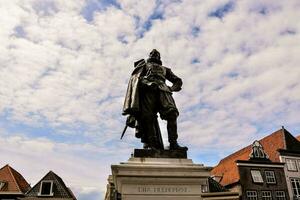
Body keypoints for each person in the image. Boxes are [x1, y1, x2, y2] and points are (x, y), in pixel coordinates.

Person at [123, 49, 186, 150]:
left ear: (159, 57)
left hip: (163, 91)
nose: (154, 55)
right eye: (152, 53)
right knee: (148, 117)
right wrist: (148, 83)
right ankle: (152, 144)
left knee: (172, 114)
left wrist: (171, 88)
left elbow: (178, 81)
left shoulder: (166, 69)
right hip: (148, 92)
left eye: (156, 54)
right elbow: (136, 78)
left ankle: (173, 143)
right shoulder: (143, 66)